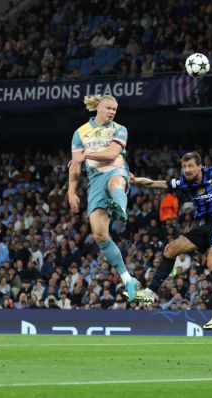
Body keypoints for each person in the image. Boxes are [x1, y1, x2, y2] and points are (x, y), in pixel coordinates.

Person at [128, 151, 212, 329]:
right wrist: (137, 180)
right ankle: (150, 293)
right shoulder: (184, 182)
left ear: (200, 166)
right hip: (207, 224)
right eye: (184, 166)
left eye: (190, 166)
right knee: (170, 249)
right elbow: (157, 184)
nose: (187, 170)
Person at [67, 95, 139, 300]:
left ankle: (120, 208)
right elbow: (75, 166)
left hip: (115, 169)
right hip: (94, 180)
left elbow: (111, 153)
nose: (112, 112)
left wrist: (86, 155)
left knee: (116, 182)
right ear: (98, 107)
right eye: (108, 108)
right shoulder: (80, 133)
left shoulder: (120, 129)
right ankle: (128, 280)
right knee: (99, 235)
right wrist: (71, 191)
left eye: (115, 109)